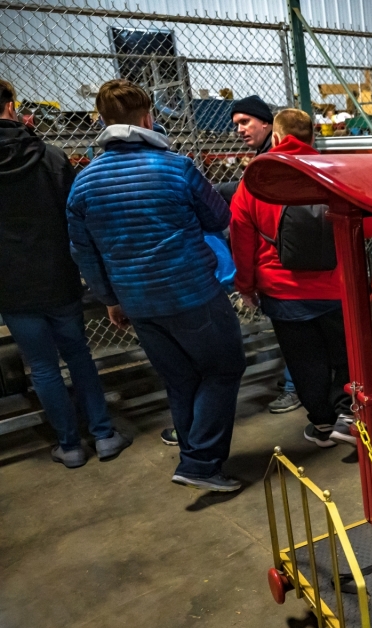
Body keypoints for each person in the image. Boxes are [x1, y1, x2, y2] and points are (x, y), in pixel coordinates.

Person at [67, 79, 245, 492]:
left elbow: (84, 252)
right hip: (193, 293)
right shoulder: (176, 167)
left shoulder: (85, 182)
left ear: (102, 120)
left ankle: (194, 459)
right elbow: (219, 218)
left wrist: (110, 299)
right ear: (148, 118)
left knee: (180, 380)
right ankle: (200, 463)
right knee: (223, 368)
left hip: (137, 303)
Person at [0, 78, 131, 468]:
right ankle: (104, 435)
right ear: (11, 107)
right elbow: (76, 218)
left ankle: (70, 445)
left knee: (42, 366)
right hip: (58, 275)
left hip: (10, 284)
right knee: (77, 354)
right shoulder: (50, 157)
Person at [230, 108, 355, 448]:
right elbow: (367, 226)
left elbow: (241, 236)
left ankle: (322, 424)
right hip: (335, 286)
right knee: (344, 354)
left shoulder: (257, 178)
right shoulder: (334, 172)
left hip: (282, 292)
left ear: (275, 137)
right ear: (312, 137)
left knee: (304, 361)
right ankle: (347, 415)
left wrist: (246, 286)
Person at [222, 94, 301, 416]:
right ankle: (300, 383)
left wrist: (245, 283)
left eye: (246, 122)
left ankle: (296, 387)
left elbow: (244, 231)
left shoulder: (270, 162)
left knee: (295, 337)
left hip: (283, 268)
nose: (240, 129)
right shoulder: (268, 159)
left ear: (267, 124)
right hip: (295, 264)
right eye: (236, 125)